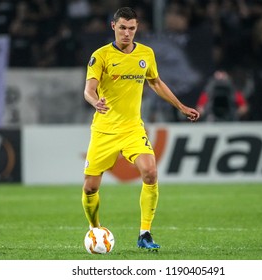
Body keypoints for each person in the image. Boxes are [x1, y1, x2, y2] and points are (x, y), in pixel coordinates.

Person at [82, 7, 200, 251]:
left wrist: (180, 106)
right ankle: (95, 228)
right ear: (113, 26)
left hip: (133, 128)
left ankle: (144, 233)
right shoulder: (100, 55)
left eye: (132, 28)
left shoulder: (145, 53)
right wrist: (96, 102)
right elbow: (89, 89)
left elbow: (155, 81)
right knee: (90, 187)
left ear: (137, 28)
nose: (127, 33)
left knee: (150, 173)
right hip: (104, 130)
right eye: (123, 27)